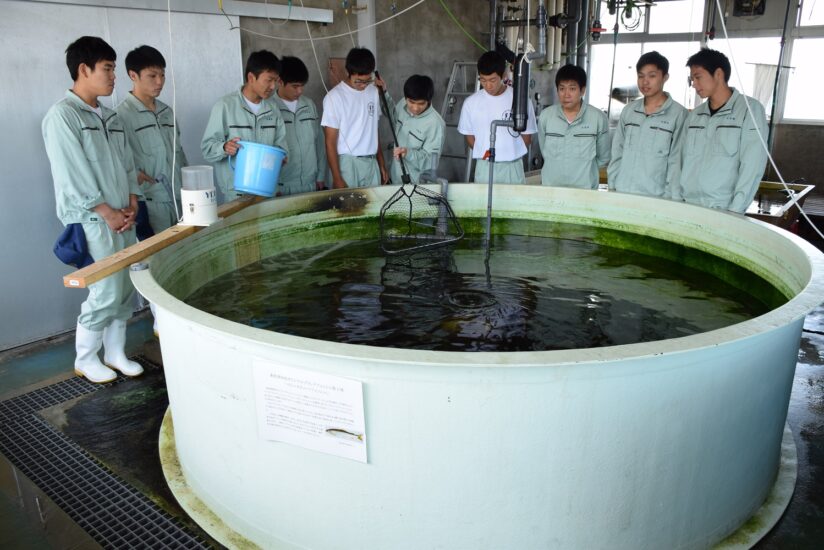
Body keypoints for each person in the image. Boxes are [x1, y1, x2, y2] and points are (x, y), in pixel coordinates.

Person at [42, 36, 144, 383]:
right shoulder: (63, 116)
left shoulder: (112, 117)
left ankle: (115, 353)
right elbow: (72, 173)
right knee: (105, 290)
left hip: (123, 216)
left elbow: (128, 163)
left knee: (125, 288)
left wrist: (132, 202)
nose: (114, 76)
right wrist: (105, 210)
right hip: (92, 220)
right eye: (108, 68)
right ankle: (86, 358)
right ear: (83, 69)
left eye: (114, 68)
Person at [675, 48, 768, 213]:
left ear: (718, 74)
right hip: (688, 206)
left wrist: (735, 211)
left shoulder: (749, 111)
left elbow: (752, 167)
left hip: (722, 209)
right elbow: (680, 161)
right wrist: (677, 202)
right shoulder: (695, 115)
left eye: (698, 77)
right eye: (692, 79)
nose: (694, 84)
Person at [201, 50, 288, 203]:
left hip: (267, 192)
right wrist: (224, 147)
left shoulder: (273, 109)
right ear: (251, 77)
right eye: (268, 80)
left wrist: (282, 157)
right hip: (236, 196)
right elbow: (207, 148)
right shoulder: (225, 106)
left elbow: (281, 146)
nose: (273, 86)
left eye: (275, 80)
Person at [117, 45, 187, 234]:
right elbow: (116, 160)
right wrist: (132, 176)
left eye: (162, 75)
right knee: (159, 256)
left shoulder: (167, 112)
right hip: (149, 201)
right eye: (152, 75)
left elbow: (179, 154)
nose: (159, 82)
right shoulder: (120, 117)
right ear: (133, 75)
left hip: (179, 197)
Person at [608, 51, 687, 197]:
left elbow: (677, 161)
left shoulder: (678, 114)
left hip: (656, 197)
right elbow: (617, 151)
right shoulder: (629, 111)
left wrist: (671, 198)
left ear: (665, 77)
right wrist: (612, 185)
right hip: (623, 192)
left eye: (652, 76)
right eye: (640, 76)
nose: (645, 82)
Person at [458, 50, 536, 185]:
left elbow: (527, 136)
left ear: (504, 75)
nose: (488, 85)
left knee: (513, 205)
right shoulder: (471, 103)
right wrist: (486, 155)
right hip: (485, 165)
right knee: (483, 205)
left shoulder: (519, 100)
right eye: (483, 80)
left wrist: (511, 154)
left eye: (492, 80)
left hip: (512, 167)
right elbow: (469, 136)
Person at [322, 47, 389, 188]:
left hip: (371, 162)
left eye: (367, 80)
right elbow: (330, 141)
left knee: (373, 207)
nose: (363, 85)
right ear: (348, 73)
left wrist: (381, 163)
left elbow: (374, 130)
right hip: (347, 164)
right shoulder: (334, 97)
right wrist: (337, 177)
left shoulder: (373, 92)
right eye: (358, 81)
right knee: (349, 208)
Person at [537, 64, 610, 188]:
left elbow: (603, 157)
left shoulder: (598, 118)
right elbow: (545, 151)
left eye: (572, 89)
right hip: (551, 189)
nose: (566, 94)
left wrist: (584, 172)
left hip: (584, 191)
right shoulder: (546, 117)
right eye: (562, 89)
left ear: (582, 90)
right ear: (557, 90)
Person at [273, 56, 326, 196]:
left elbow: (319, 142)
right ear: (280, 81)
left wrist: (321, 175)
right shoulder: (270, 108)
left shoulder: (309, 105)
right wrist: (272, 186)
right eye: (295, 86)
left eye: (302, 85)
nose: (300, 91)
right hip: (282, 186)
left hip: (311, 183)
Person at [390, 75, 446, 184]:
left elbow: (431, 161)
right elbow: (392, 115)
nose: (415, 108)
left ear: (429, 101)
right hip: (395, 178)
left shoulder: (436, 124)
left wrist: (408, 153)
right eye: (411, 102)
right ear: (406, 98)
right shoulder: (402, 104)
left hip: (417, 185)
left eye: (421, 104)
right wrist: (384, 92)